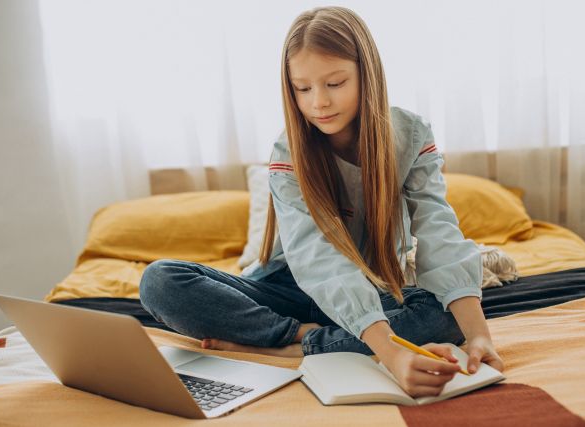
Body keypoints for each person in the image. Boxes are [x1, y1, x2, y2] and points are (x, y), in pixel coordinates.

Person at [139, 6, 504, 398]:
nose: (319, 103)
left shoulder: (410, 135)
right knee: (160, 281)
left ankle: (287, 348)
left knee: (449, 314)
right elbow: (315, 257)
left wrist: (480, 336)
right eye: (303, 88)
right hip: (286, 293)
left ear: (367, 75)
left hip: (373, 289)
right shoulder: (289, 152)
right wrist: (390, 350)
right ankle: (297, 339)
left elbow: (438, 231)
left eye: (335, 83)